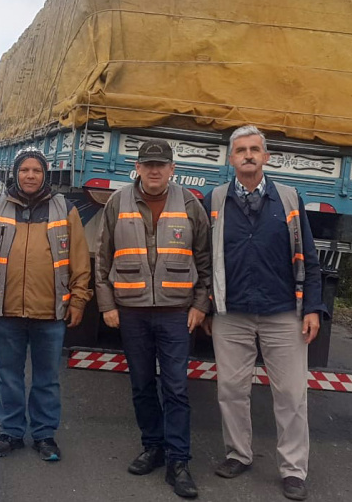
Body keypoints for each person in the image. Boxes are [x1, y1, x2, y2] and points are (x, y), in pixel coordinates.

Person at [203, 125, 325, 501]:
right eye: (241, 150)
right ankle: (238, 454)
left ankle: (292, 470)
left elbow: (310, 257)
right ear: (231, 158)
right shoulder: (214, 200)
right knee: (231, 390)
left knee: (290, 393)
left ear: (266, 156)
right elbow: (203, 259)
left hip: (283, 311)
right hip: (231, 313)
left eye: (255, 149)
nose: (248, 155)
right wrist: (206, 306)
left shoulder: (288, 199)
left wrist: (313, 309)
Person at [94, 139, 212, 499]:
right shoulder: (118, 202)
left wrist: (200, 305)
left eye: (161, 165)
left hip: (177, 314)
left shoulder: (190, 203)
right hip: (132, 313)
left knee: (175, 388)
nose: (155, 170)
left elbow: (205, 262)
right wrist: (107, 306)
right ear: (139, 168)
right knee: (142, 385)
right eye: (148, 164)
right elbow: (102, 259)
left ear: (172, 169)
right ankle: (153, 447)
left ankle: (179, 461)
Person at [0, 147, 92, 462]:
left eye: (36, 170)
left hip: (50, 313)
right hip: (7, 311)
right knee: (9, 376)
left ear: (45, 175)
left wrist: (78, 300)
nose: (30, 175)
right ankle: (10, 432)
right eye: (25, 170)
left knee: (46, 378)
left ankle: (44, 435)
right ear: (16, 174)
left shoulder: (65, 210)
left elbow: (79, 260)